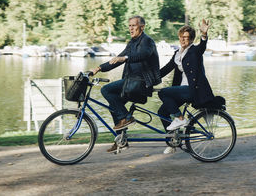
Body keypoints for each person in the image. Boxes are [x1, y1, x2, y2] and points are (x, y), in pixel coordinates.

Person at [91, 15, 161, 153]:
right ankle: (121, 141)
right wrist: (98, 68)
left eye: (133, 25)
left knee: (106, 90)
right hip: (131, 82)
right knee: (113, 107)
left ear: (142, 26)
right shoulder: (131, 43)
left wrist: (126, 58)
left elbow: (144, 55)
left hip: (141, 82)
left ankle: (126, 117)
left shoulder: (147, 41)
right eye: (129, 26)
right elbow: (117, 60)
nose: (131, 28)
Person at [158, 19, 214, 154]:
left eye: (186, 37)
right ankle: (173, 141)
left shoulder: (194, 51)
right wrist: (148, 79)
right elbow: (165, 69)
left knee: (163, 92)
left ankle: (181, 119)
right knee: (162, 112)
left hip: (192, 89)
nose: (183, 40)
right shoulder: (177, 54)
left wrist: (204, 35)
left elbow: (202, 47)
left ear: (191, 39)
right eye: (181, 37)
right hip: (181, 90)